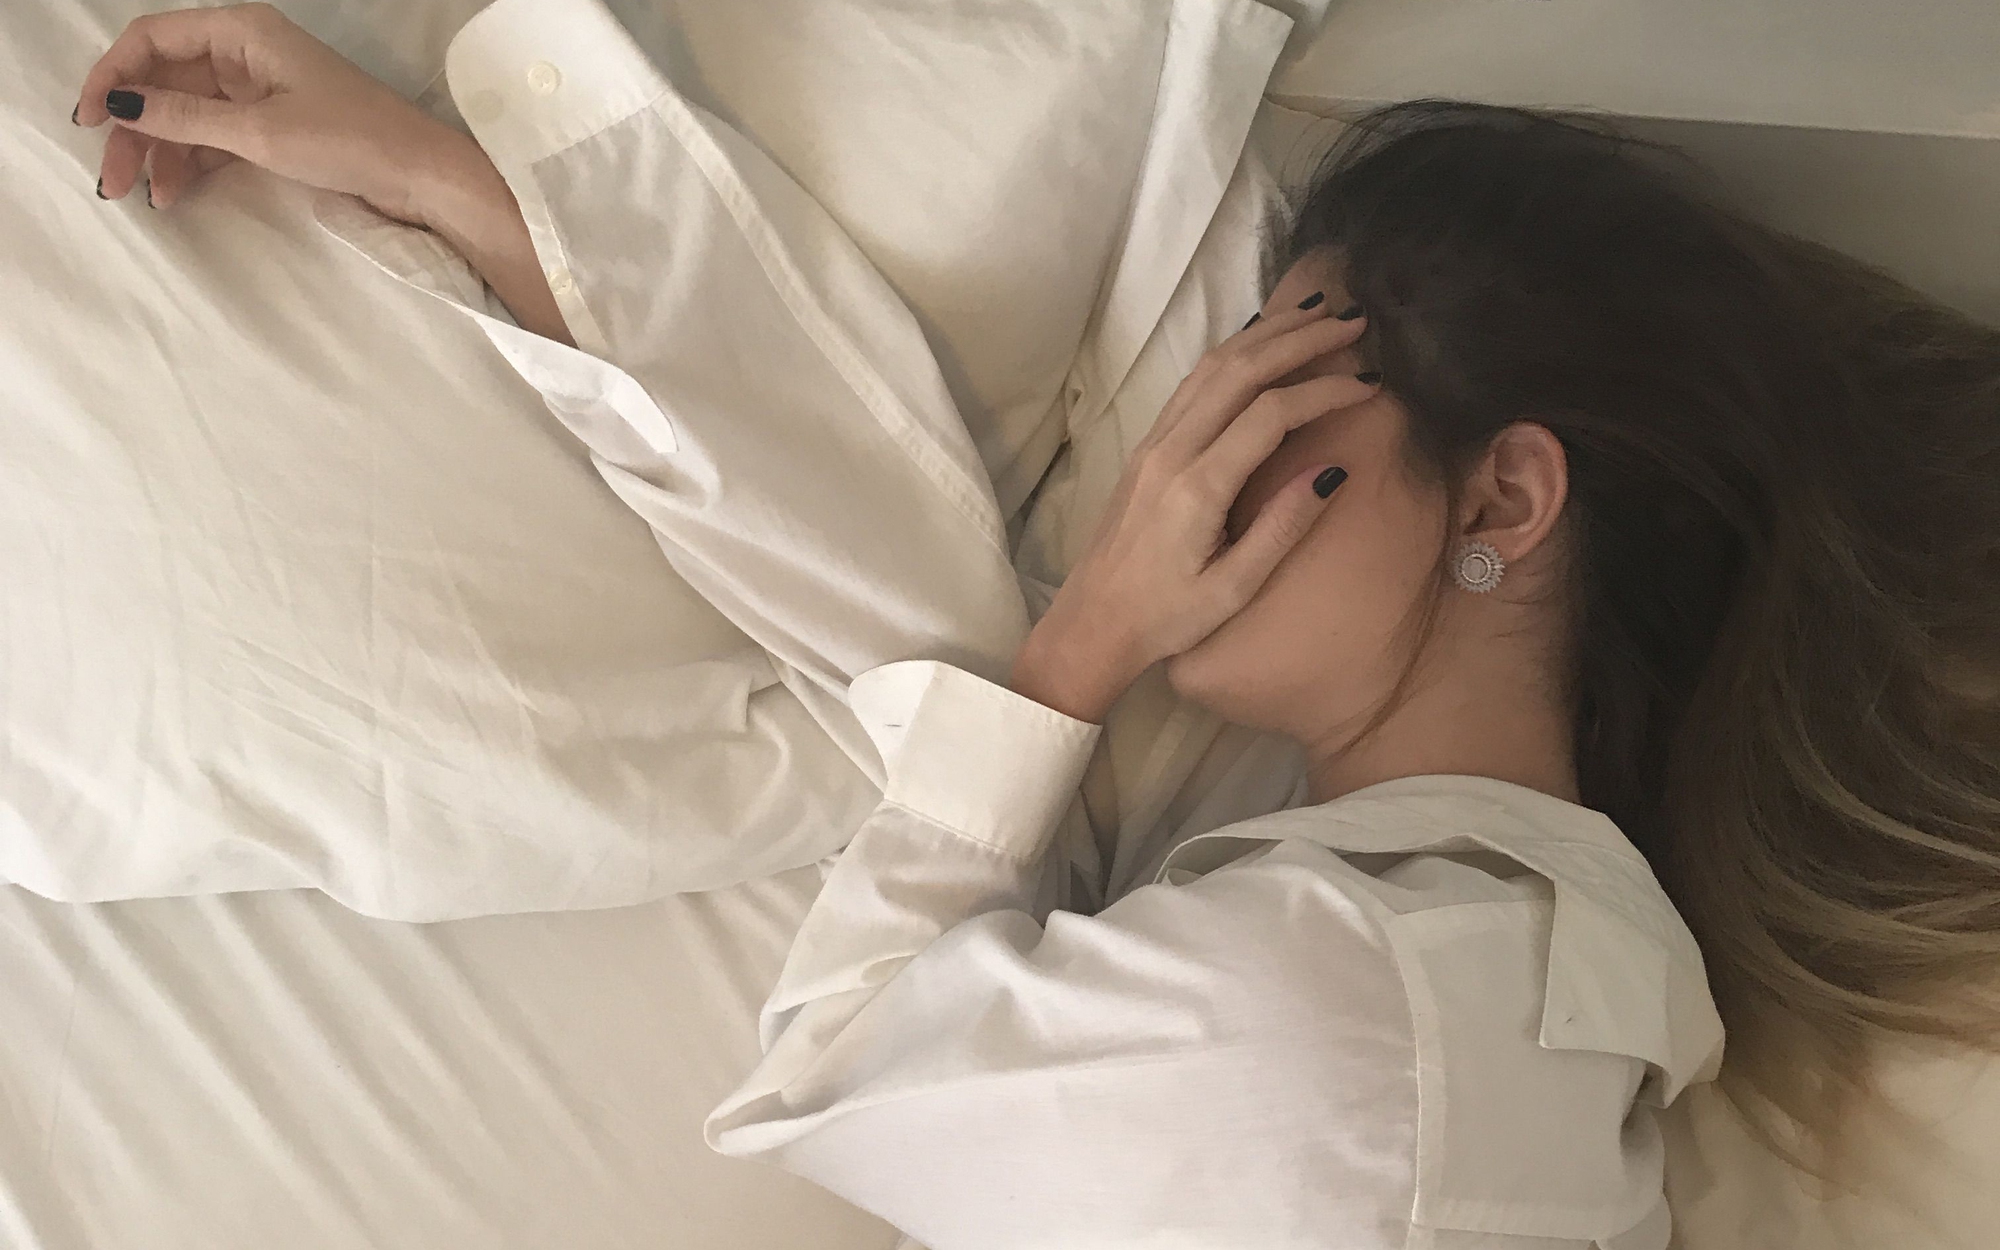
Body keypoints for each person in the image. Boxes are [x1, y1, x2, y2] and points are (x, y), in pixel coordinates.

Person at [75, 4, 2000, 1248]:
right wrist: (450, 188)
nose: (1170, 473)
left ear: (1501, 501)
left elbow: (843, 1055)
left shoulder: (1345, 1018)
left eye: (1258, 400)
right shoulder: (1505, 968)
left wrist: (1082, 645)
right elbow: (923, 674)